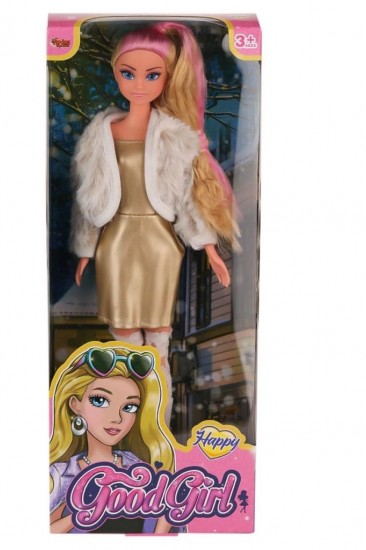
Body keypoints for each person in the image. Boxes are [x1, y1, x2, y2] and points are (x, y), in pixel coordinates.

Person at [70, 23, 239, 426]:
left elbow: (187, 198)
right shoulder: (100, 135)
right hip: (115, 242)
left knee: (158, 344)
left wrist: (209, 247)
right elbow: (88, 196)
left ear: (167, 78)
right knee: (124, 340)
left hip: (161, 243)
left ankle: (157, 425)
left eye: (152, 75)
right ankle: (126, 422)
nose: (139, 84)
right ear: (116, 73)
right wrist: (85, 249)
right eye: (128, 73)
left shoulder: (174, 136)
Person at [49, 344, 175, 534]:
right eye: (100, 401)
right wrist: (87, 510)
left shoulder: (140, 466)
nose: (117, 418)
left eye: (130, 407)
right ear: (75, 405)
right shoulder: (60, 474)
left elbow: (168, 512)